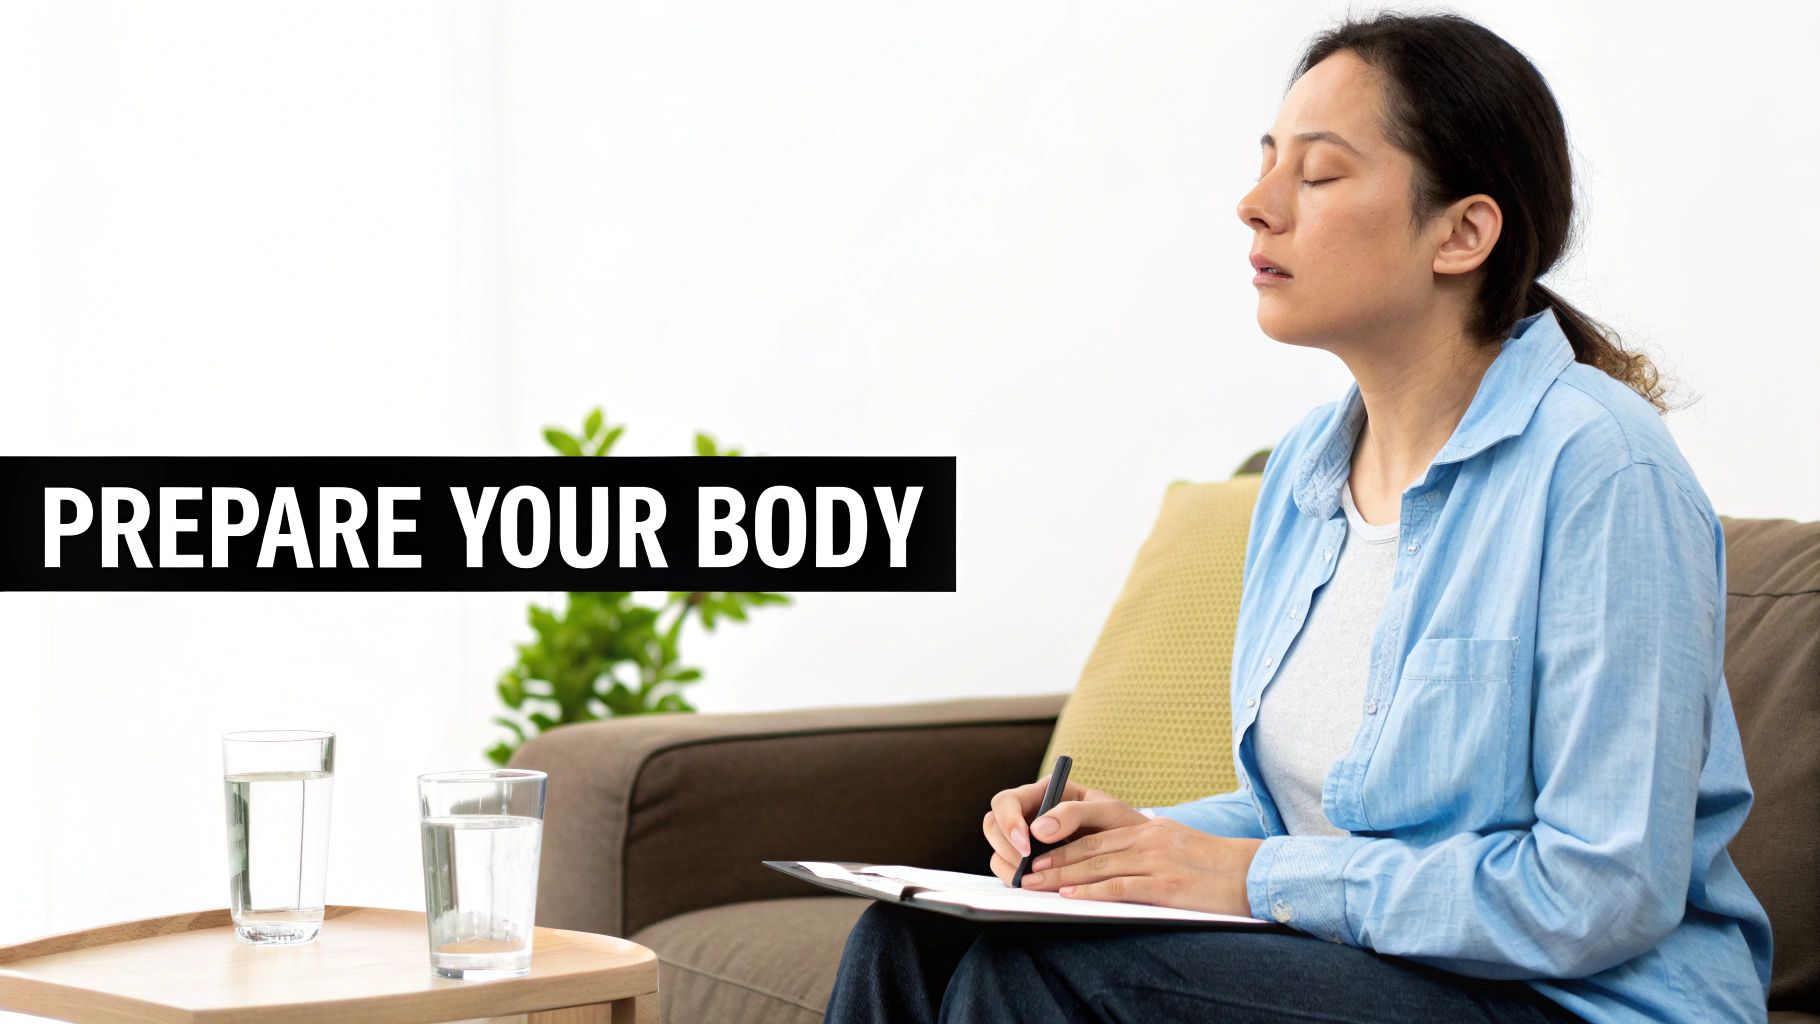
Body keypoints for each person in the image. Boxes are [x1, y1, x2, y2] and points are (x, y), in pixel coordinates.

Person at [823, 10, 1774, 1024]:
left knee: (1038, 973)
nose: (1253, 205)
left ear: (1461, 231)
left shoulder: (1599, 469)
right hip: (1381, 966)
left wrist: (1247, 877)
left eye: (1315, 177)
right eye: (1265, 164)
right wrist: (1122, 840)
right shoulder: (1303, 476)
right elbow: (1303, 817)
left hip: (1573, 999)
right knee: (913, 934)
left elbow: (1598, 892)